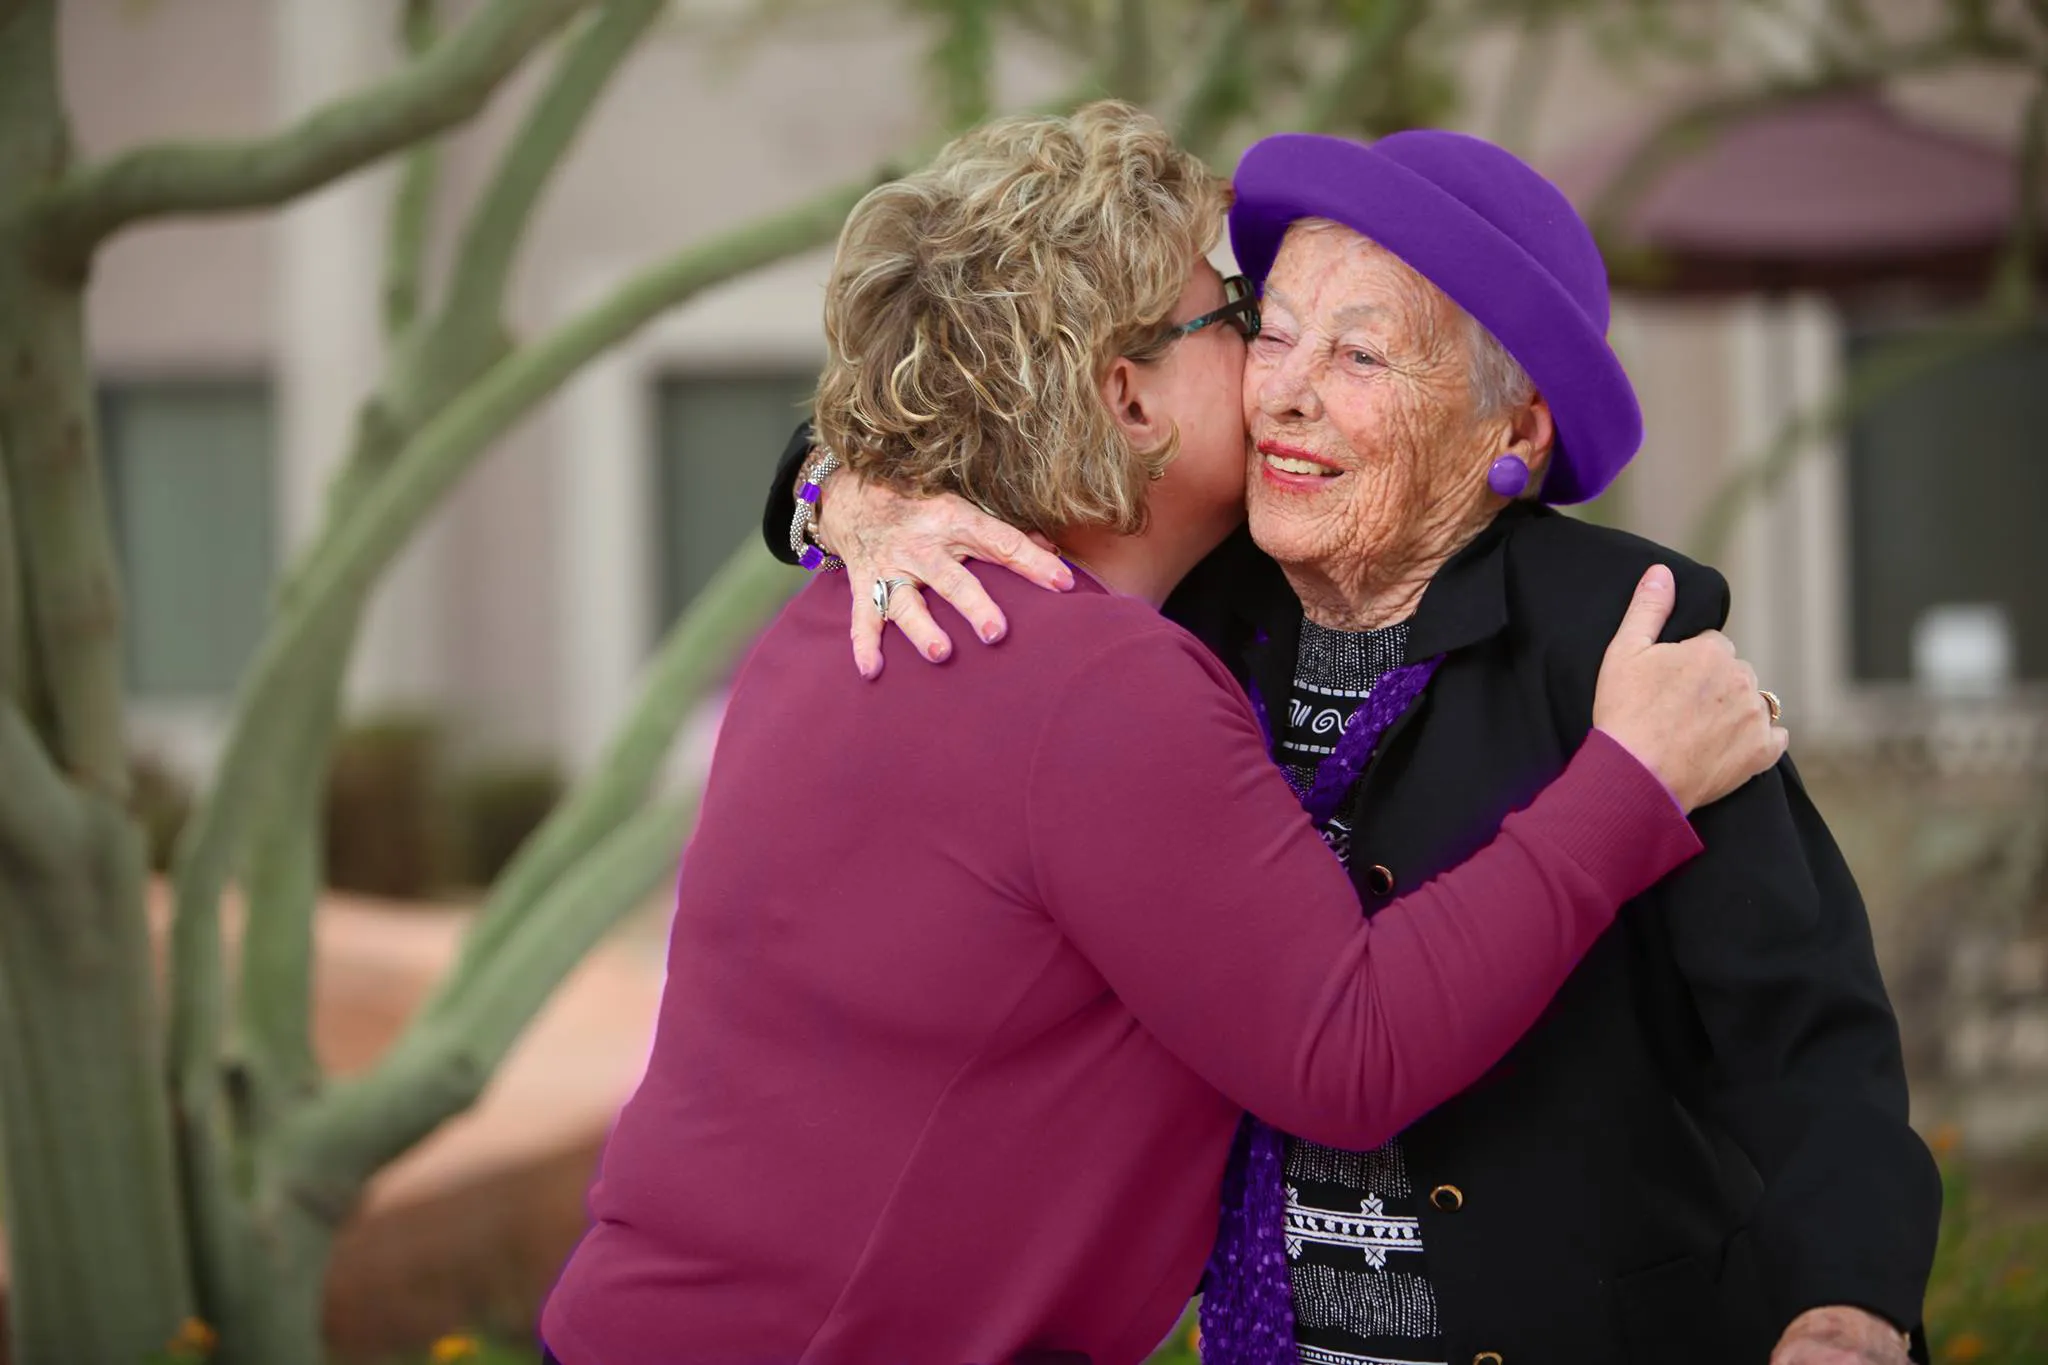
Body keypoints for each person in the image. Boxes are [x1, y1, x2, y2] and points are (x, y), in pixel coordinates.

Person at [540, 104, 1781, 1365]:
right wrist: (1630, 782)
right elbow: (1348, 1050)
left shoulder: (849, 602)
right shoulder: (1095, 685)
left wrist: (832, 488)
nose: (1274, 370)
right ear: (1127, 399)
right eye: (1236, 321)